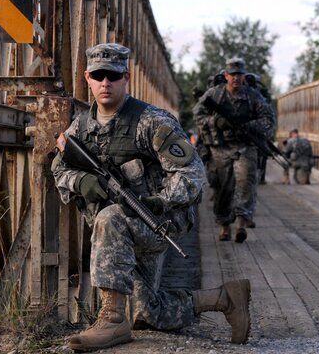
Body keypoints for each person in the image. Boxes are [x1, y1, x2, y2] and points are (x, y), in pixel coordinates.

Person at [52, 43, 251, 351]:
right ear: (87, 78)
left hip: (160, 221)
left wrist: (160, 201)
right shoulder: (81, 126)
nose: (106, 83)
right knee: (146, 311)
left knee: (109, 218)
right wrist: (81, 181)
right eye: (98, 75)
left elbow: (192, 174)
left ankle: (111, 322)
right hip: (126, 232)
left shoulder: (151, 121)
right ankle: (224, 298)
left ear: (127, 77)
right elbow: (59, 169)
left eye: (114, 76)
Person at [193, 57, 275, 243]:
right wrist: (215, 122)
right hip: (220, 148)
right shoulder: (215, 95)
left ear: (244, 77)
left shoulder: (253, 96)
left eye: (239, 75)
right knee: (223, 188)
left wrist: (249, 126)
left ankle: (241, 223)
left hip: (245, 146)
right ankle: (224, 224)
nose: (236, 79)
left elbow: (268, 119)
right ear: (226, 76)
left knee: (246, 183)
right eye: (232, 75)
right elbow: (198, 114)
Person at [244, 73, 273, 185]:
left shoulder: (260, 94)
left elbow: (267, 111)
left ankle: (260, 176)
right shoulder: (242, 91)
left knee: (263, 151)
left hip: (257, 126)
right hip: (245, 126)